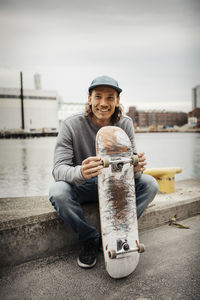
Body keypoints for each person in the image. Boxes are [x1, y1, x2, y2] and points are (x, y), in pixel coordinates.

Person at [49, 75, 158, 269]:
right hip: (83, 186)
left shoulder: (125, 124)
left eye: (110, 98)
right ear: (89, 99)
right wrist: (80, 172)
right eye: (98, 97)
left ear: (117, 102)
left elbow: (129, 172)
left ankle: (117, 232)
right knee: (58, 192)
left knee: (150, 184)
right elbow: (58, 170)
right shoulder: (70, 125)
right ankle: (91, 239)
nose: (103, 103)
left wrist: (135, 168)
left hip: (114, 185)